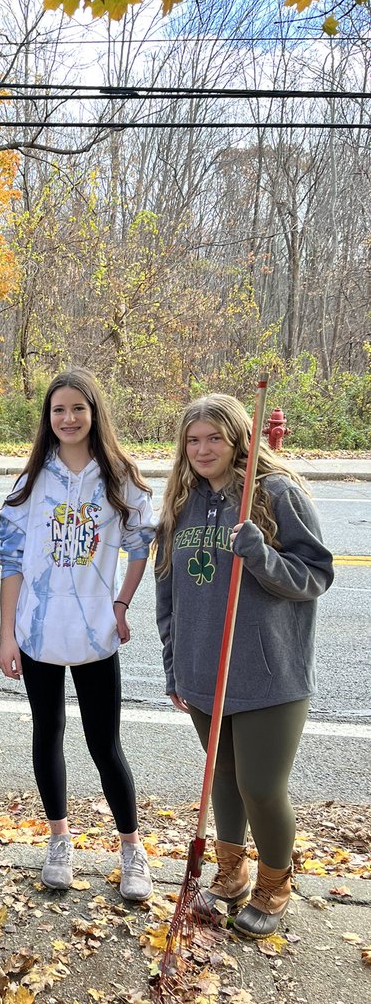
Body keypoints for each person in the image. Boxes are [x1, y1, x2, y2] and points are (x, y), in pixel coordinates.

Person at [155, 393, 333, 937]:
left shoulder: (274, 494)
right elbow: (168, 591)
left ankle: (275, 884)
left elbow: (314, 577)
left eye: (215, 438)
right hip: (201, 670)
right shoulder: (181, 502)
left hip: (267, 674)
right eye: (193, 440)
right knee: (224, 780)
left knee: (260, 785)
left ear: (240, 441)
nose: (203, 449)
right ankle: (231, 873)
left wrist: (260, 555)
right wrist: (174, 663)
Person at [0, 369, 155, 901]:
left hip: (94, 635)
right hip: (38, 633)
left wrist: (121, 603)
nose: (68, 418)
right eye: (58, 410)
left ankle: (131, 848)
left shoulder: (118, 478)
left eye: (78, 409)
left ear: (94, 413)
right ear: (48, 418)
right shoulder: (30, 483)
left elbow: (140, 545)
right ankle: (59, 840)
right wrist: (7, 635)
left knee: (104, 743)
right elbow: (11, 562)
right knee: (48, 735)